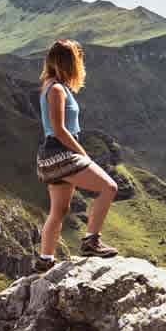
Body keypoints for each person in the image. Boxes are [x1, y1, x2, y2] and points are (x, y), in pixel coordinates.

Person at [34, 39, 119, 271]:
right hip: (60, 153)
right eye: (76, 59)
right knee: (109, 188)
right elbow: (59, 129)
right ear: (68, 62)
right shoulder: (57, 89)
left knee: (58, 210)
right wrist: (83, 155)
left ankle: (45, 260)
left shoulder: (52, 85)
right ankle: (91, 241)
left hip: (51, 155)